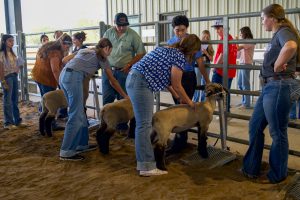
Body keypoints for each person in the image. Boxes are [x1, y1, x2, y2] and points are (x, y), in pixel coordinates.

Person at [126, 34, 201, 176]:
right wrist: (190, 102)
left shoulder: (167, 49)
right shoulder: (179, 57)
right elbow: (177, 84)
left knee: (143, 124)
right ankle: (146, 166)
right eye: (195, 50)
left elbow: (167, 78)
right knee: (144, 125)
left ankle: (145, 160)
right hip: (141, 84)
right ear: (192, 49)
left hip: (135, 79)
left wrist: (177, 96)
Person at [242, 3, 300, 184]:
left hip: (279, 86)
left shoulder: (284, 31)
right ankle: (251, 167)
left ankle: (277, 175)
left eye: (263, 19)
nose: (262, 22)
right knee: (255, 125)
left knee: (277, 132)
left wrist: (277, 65)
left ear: (273, 19)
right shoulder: (280, 33)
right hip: (271, 87)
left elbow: (290, 46)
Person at [59, 38, 128, 161]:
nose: (109, 54)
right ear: (106, 48)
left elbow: (64, 60)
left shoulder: (85, 50)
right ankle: (66, 151)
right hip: (74, 78)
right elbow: (113, 81)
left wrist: (83, 67)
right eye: (110, 51)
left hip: (64, 75)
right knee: (76, 114)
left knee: (80, 111)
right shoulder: (103, 59)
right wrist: (125, 95)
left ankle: (81, 144)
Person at [166, 15, 210, 155]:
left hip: (188, 77)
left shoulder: (193, 42)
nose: (179, 33)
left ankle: (182, 141)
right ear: (173, 29)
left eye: (182, 30)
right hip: (174, 76)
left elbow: (201, 64)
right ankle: (180, 140)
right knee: (178, 108)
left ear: (187, 28)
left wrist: (207, 81)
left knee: (186, 108)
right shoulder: (171, 42)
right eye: (177, 30)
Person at [102, 13, 146, 105]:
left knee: (124, 99)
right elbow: (101, 48)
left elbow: (141, 53)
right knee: (107, 98)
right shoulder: (108, 33)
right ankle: (106, 119)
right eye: (119, 25)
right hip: (108, 70)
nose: (122, 28)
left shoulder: (133, 35)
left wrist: (129, 65)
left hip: (124, 71)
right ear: (114, 23)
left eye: (124, 25)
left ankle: (123, 120)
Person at [31, 33, 72, 130]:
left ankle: (44, 124)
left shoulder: (50, 46)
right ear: (62, 42)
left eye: (69, 45)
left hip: (39, 75)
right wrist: (60, 83)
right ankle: (51, 124)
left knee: (45, 100)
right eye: (66, 45)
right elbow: (55, 70)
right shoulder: (55, 52)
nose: (67, 47)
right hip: (46, 79)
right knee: (51, 102)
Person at [211, 19, 237, 113]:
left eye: (218, 28)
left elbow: (222, 55)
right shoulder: (231, 38)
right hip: (229, 71)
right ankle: (226, 111)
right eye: (216, 29)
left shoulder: (224, 39)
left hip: (221, 70)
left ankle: (219, 110)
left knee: (213, 90)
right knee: (225, 92)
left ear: (225, 28)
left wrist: (215, 66)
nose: (217, 31)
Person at [0, 34, 25, 129]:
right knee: (8, 100)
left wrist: (18, 68)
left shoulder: (12, 53)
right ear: (4, 42)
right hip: (7, 77)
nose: (12, 43)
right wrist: (3, 81)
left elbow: (19, 64)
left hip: (14, 76)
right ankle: (8, 123)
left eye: (12, 41)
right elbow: (1, 68)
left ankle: (17, 120)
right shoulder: (2, 53)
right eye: (10, 41)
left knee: (14, 99)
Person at [236, 26, 255, 109]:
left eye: (241, 34)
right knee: (240, 83)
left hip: (246, 64)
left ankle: (246, 104)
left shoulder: (249, 41)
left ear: (245, 33)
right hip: (241, 63)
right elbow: (238, 53)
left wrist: (236, 41)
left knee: (245, 84)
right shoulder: (244, 42)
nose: (240, 36)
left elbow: (238, 48)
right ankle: (244, 101)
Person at [193, 30, 214, 102]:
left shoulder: (210, 46)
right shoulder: (198, 45)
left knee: (205, 82)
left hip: (207, 65)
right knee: (197, 82)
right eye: (204, 36)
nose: (205, 38)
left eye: (207, 37)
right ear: (201, 36)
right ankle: (195, 100)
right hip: (198, 65)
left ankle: (203, 100)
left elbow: (211, 59)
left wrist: (206, 53)